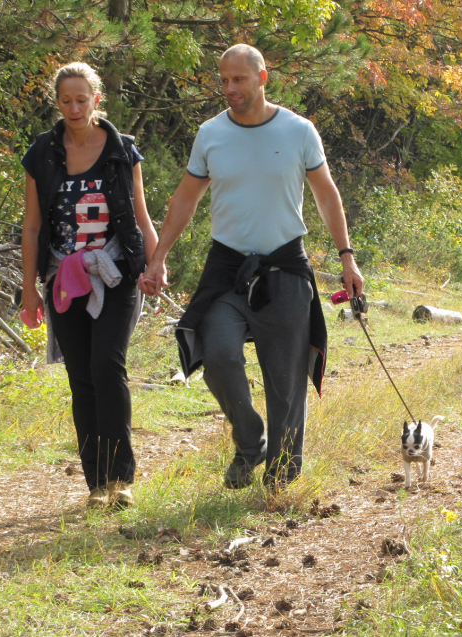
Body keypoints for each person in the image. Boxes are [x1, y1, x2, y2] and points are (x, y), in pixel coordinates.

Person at [140, 44, 363, 490]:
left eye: (238, 79)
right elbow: (185, 199)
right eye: (223, 80)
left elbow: (327, 196)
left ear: (263, 78)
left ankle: (280, 480)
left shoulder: (298, 131)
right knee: (217, 353)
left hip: (284, 266)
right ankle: (249, 441)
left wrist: (346, 257)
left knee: (284, 384)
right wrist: (158, 255)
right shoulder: (210, 133)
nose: (229, 88)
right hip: (227, 268)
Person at [21, 62, 158, 510]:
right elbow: (32, 226)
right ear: (56, 103)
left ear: (97, 99)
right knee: (80, 377)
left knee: (107, 366)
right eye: (66, 100)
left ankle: (122, 480)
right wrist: (28, 287)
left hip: (116, 272)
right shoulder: (41, 153)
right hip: (63, 276)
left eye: (83, 99)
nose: (75, 107)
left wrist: (155, 262)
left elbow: (140, 213)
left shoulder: (122, 151)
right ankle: (97, 486)